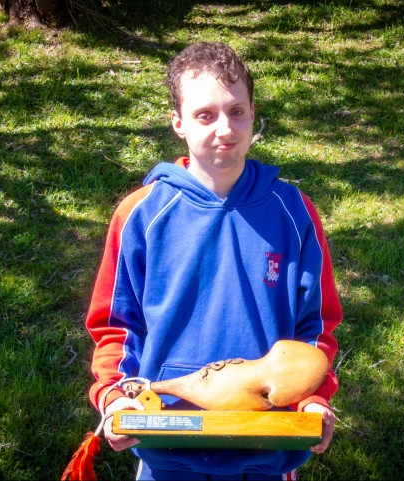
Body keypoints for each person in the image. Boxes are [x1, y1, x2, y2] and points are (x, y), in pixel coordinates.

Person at [85, 41, 342, 480]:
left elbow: (315, 327)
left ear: (253, 114)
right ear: (178, 122)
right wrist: (115, 396)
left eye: (236, 111)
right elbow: (116, 327)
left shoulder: (294, 212)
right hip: (166, 447)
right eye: (205, 115)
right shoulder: (139, 215)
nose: (225, 128)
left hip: (267, 448)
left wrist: (312, 397)